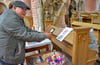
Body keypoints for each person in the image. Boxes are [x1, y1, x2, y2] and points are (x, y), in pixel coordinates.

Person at [0, 1, 51, 65]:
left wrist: (40, 33)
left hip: (10, 52)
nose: (25, 12)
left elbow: (26, 30)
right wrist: (44, 36)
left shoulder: (15, 16)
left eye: (26, 10)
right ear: (15, 8)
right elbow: (25, 35)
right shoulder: (9, 18)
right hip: (8, 55)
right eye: (23, 9)